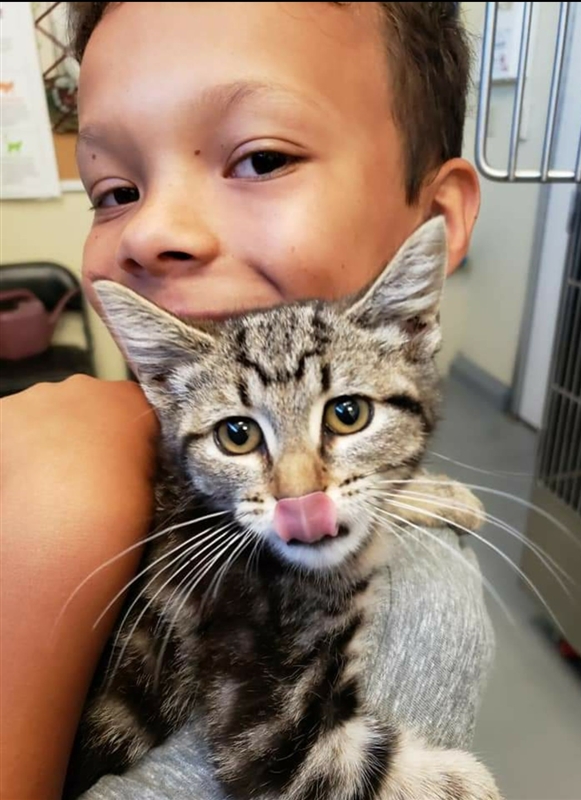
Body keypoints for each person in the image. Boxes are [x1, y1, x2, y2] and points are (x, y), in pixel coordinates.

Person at [0, 3, 493, 798]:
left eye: (262, 159)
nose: (152, 230)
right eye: (115, 188)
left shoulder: (421, 611)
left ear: (433, 226)